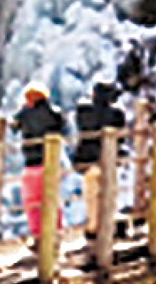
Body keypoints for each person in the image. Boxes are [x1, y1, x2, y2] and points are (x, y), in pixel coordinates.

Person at [12, 82, 66, 243]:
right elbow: (62, 125)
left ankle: (37, 235)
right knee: (51, 198)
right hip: (51, 161)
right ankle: (56, 232)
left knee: (32, 201)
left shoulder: (25, 114)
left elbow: (14, 125)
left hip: (32, 162)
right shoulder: (55, 113)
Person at [73, 82, 125, 242]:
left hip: (86, 159)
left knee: (91, 196)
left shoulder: (83, 111)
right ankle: (109, 226)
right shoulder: (116, 114)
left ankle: (92, 227)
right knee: (109, 194)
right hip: (107, 158)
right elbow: (121, 136)